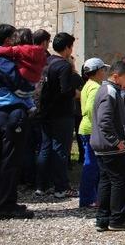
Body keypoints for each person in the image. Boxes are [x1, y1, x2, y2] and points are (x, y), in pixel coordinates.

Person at [0, 24, 35, 219]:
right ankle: (7, 206)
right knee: (11, 160)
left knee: (2, 160)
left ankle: (4, 201)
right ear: (7, 41)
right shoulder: (3, 58)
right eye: (14, 38)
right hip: (12, 111)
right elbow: (20, 82)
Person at [91, 61, 125, 232]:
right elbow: (105, 121)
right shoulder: (109, 91)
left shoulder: (110, 90)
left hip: (103, 146)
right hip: (111, 147)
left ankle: (102, 219)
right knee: (119, 181)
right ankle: (117, 219)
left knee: (106, 181)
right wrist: (116, 141)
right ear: (116, 76)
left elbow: (116, 114)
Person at [36, 32, 82, 199]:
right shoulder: (63, 66)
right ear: (67, 47)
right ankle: (61, 187)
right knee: (61, 149)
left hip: (45, 111)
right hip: (61, 113)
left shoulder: (47, 62)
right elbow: (65, 90)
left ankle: (42, 185)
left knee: (45, 147)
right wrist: (76, 93)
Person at [79, 58, 108, 208]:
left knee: (92, 164)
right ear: (97, 71)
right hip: (91, 129)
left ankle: (93, 196)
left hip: (87, 127)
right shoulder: (95, 88)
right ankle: (87, 198)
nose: (104, 72)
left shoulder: (89, 85)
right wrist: (100, 122)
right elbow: (91, 109)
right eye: (103, 69)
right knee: (91, 165)